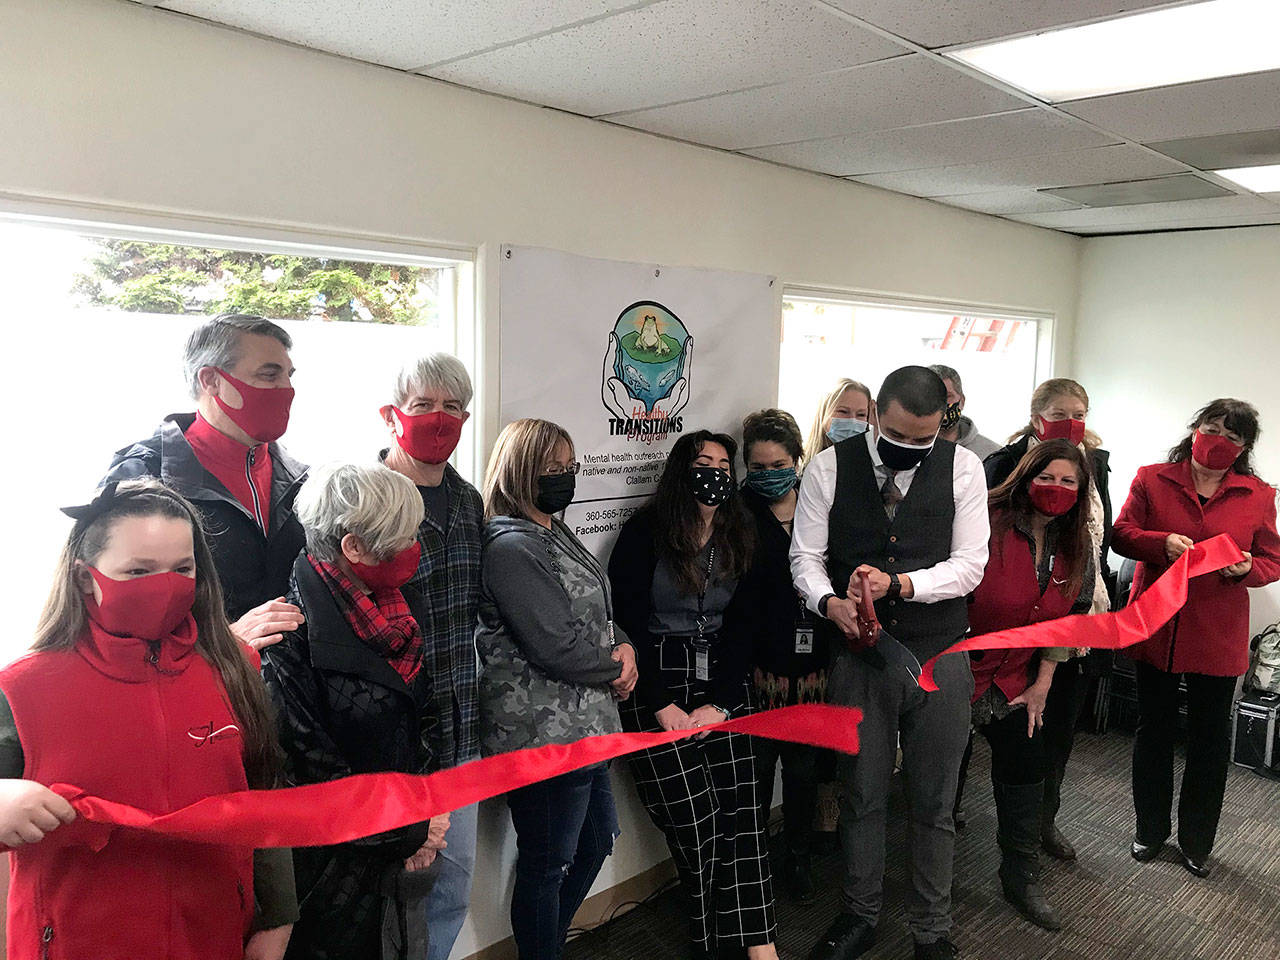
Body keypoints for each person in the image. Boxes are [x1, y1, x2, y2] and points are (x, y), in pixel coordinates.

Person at [0, 479, 296, 960]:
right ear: (85, 577)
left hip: (211, 938)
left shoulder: (233, 671)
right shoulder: (22, 688)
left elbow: (263, 793)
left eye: (182, 569)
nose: (165, 586)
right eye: (138, 570)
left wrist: (276, 918)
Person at [792, 365, 989, 960]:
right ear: (875, 414)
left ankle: (931, 928)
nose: (910, 450)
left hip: (940, 654)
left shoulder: (965, 468)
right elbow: (805, 557)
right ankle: (860, 914)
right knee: (862, 794)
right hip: (861, 660)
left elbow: (969, 565)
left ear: (942, 425)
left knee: (933, 800)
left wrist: (900, 584)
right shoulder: (828, 468)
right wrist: (828, 603)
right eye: (899, 436)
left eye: (923, 440)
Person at [261, 462, 448, 959]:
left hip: (399, 848)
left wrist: (429, 808)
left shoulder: (400, 605)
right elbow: (315, 778)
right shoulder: (286, 642)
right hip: (333, 876)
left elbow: (424, 718)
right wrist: (413, 831)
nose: (415, 548)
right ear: (354, 548)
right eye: (404, 536)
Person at [609, 431, 780, 960]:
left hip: (723, 681)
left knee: (744, 815)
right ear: (681, 471)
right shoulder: (645, 533)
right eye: (702, 462)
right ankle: (707, 942)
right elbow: (627, 621)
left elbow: (746, 624)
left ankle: (759, 943)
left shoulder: (740, 532)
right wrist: (662, 705)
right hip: (656, 683)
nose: (714, 473)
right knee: (696, 825)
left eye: (723, 465)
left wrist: (725, 702)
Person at [475, 418, 638, 960]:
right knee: (548, 864)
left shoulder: (552, 528)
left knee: (594, 842)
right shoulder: (510, 545)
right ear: (520, 471)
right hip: (542, 738)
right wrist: (614, 668)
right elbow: (555, 645)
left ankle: (546, 946)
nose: (565, 478)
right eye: (552, 469)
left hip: (584, 728)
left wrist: (625, 647)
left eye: (570, 467)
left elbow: (597, 610)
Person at [1113, 399, 1280, 878]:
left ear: (1244, 447)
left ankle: (1196, 842)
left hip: (1217, 630)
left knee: (1209, 741)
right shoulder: (1152, 477)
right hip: (1157, 624)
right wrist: (1159, 543)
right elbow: (1121, 535)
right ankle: (1149, 830)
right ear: (1194, 430)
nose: (1218, 440)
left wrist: (1249, 567)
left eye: (1231, 436)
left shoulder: (1258, 494)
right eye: (1211, 428)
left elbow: (1272, 559)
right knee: (1153, 733)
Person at [103, 313, 308, 653]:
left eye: (289, 375)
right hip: (192, 687)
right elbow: (114, 618)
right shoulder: (143, 478)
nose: (286, 389)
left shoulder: (299, 477)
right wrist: (227, 643)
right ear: (211, 380)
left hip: (288, 696)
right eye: (269, 374)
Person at [377, 353, 485, 960]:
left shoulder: (470, 504)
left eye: (451, 408)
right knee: (391, 890)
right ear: (393, 415)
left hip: (460, 734)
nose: (438, 419)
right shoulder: (362, 503)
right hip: (389, 738)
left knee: (451, 886)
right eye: (423, 406)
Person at [980, 377, 1113, 861]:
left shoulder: (1095, 464)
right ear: (1037, 414)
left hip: (1076, 609)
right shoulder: (1004, 467)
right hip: (1002, 634)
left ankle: (1042, 824)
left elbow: (1102, 535)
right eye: (1062, 412)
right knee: (1005, 737)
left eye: (1081, 412)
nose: (1072, 421)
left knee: (1054, 734)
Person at [967, 440, 1096, 932]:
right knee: (942, 786)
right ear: (1025, 476)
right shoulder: (986, 519)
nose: (1056, 489)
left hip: (1021, 678)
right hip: (962, 674)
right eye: (1047, 477)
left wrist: (1043, 683)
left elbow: (1072, 619)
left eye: (1069, 481)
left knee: (1027, 766)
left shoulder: (1076, 539)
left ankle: (1021, 874)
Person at [740, 408, 826, 904]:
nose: (769, 474)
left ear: (798, 459)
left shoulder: (819, 507)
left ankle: (798, 859)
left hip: (813, 665)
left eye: (779, 464)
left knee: (803, 773)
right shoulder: (738, 513)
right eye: (758, 465)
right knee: (756, 773)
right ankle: (754, 869)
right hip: (760, 665)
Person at [928, 364, 1000, 461]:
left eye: (947, 396)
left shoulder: (991, 454)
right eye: (931, 396)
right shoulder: (909, 448)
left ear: (962, 401)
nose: (940, 402)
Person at [805, 378, 874, 463]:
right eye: (843, 411)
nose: (852, 420)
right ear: (824, 414)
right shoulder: (807, 467)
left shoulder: (876, 468)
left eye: (861, 415)